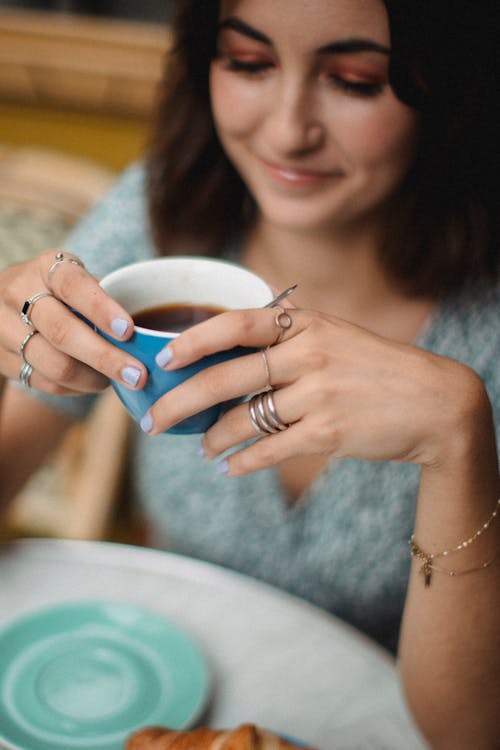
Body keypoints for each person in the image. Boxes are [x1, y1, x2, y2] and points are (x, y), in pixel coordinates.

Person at [0, 0, 499, 746]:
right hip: (161, 692)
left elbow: (468, 734)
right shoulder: (158, 210)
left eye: (357, 80)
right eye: (249, 63)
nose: (287, 129)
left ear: (451, 85)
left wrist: (460, 440)